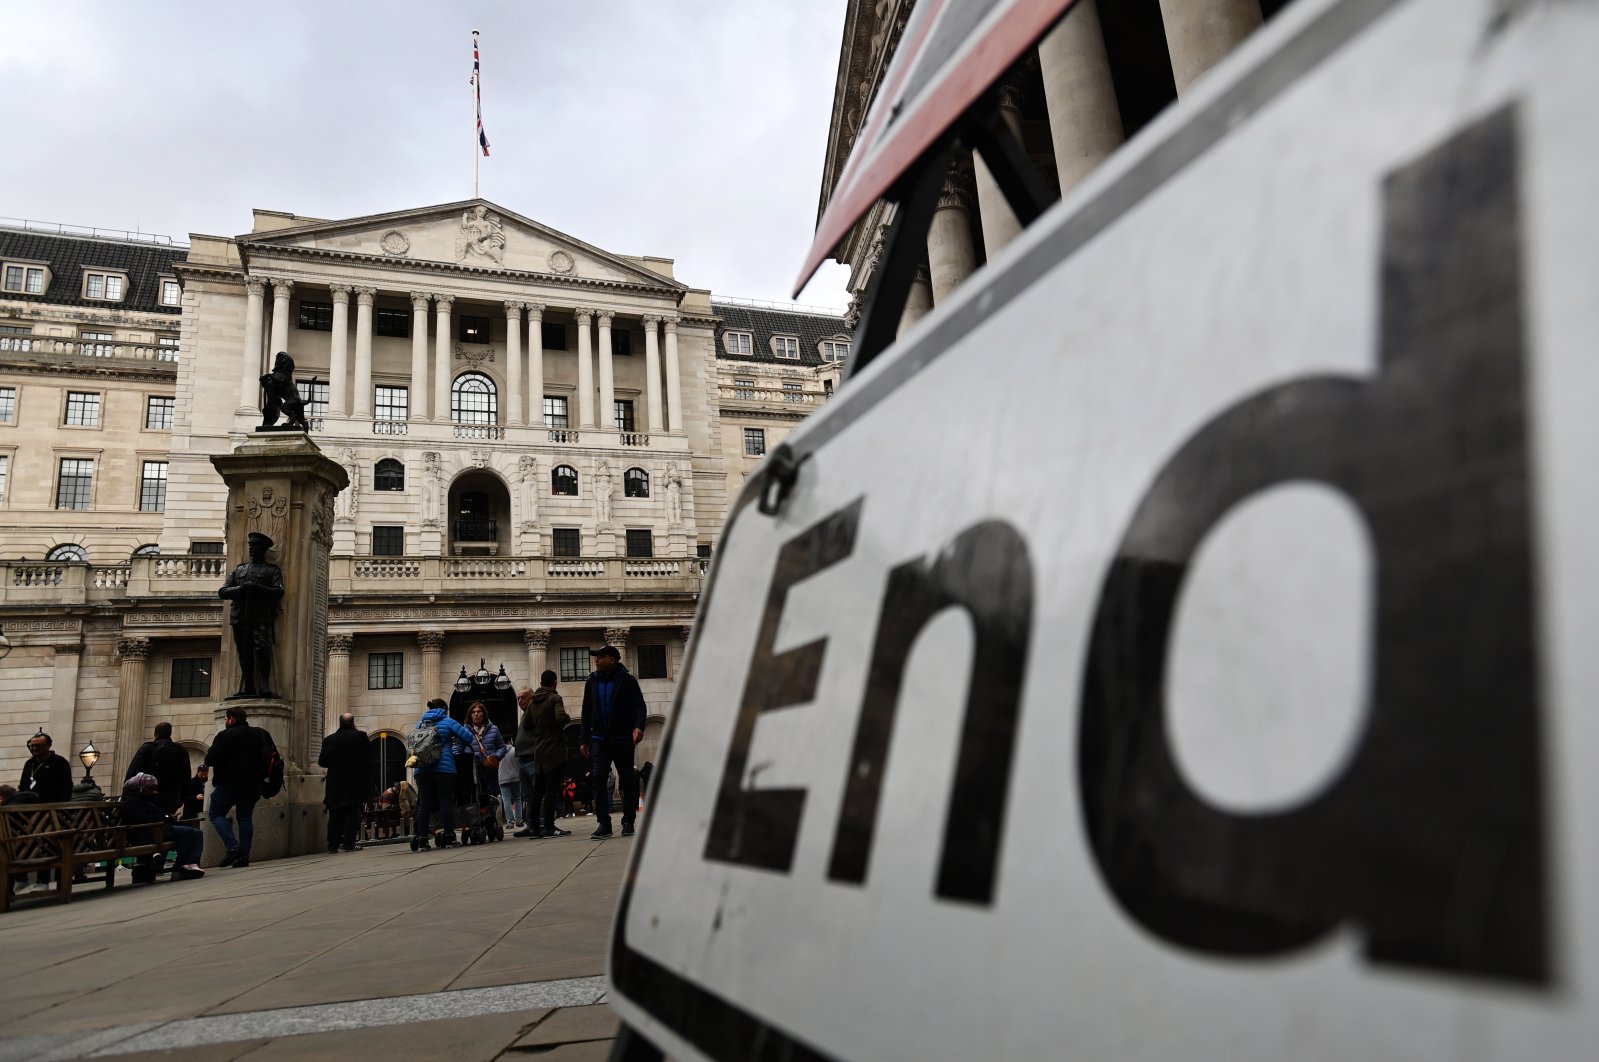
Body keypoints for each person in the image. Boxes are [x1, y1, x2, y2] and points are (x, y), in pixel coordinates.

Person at [579, 645, 646, 838]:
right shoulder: (591, 681)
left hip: (623, 738)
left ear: (612, 660)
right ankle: (603, 823)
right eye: (596, 658)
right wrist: (583, 739)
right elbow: (586, 710)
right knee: (598, 777)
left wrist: (639, 726)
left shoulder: (627, 679)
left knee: (627, 779)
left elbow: (639, 705)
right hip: (599, 739)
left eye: (600, 658)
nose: (596, 661)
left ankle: (628, 820)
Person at [204, 707, 275, 868]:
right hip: (251, 784)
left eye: (226, 718)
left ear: (231, 719)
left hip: (227, 783)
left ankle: (233, 846)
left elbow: (210, 759)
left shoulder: (224, 736)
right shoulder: (260, 734)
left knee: (216, 814)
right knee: (244, 818)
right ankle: (244, 856)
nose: (226, 721)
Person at [218, 532, 285, 698]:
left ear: (263, 549)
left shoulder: (271, 570)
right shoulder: (239, 569)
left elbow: (279, 591)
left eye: (256, 546)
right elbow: (223, 591)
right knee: (244, 652)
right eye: (251, 546)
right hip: (240, 617)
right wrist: (241, 589)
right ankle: (248, 685)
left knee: (262, 649)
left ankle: (264, 684)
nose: (252, 549)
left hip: (260, 616)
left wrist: (257, 588)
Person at [410, 698, 475, 851]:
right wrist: (454, 742)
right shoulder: (447, 721)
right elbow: (468, 738)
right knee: (446, 801)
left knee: (424, 804)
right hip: (444, 769)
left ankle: (423, 839)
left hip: (421, 770)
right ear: (445, 709)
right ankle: (449, 836)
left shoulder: (420, 723)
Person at [514, 673, 572, 838]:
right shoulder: (554, 698)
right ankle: (548, 826)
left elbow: (527, 724)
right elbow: (561, 718)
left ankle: (534, 829)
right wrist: (565, 719)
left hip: (538, 753)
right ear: (555, 682)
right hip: (554, 752)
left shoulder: (533, 704)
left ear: (540, 683)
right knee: (551, 791)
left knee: (536, 793)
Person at [119, 773, 205, 881]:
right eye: (150, 788)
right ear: (140, 789)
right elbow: (143, 818)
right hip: (147, 833)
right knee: (188, 833)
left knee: (197, 833)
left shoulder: (147, 799)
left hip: (160, 829)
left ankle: (191, 862)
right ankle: (180, 866)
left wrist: (167, 817)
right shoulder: (131, 803)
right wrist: (166, 817)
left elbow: (157, 814)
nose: (153, 791)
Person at [318, 712, 371, 853]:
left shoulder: (329, 740)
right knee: (351, 813)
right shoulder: (360, 736)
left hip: (335, 782)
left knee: (334, 814)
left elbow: (322, 762)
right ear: (353, 722)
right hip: (355, 781)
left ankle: (332, 845)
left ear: (340, 722)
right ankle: (349, 844)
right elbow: (369, 753)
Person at [124, 722, 190, 815]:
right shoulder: (181, 750)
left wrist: (126, 796)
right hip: (173, 796)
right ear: (170, 733)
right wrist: (182, 797)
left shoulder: (148, 748)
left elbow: (133, 771)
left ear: (155, 733)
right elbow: (187, 776)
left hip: (151, 796)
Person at [465, 701, 506, 818]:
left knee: (493, 795)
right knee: (476, 797)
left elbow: (502, 747)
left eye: (478, 711)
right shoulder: (464, 730)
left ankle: (494, 820)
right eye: (473, 712)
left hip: (490, 769)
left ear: (484, 714)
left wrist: (496, 757)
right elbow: (459, 749)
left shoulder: (493, 729)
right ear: (470, 715)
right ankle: (478, 821)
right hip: (474, 770)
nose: (476, 714)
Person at [497, 742, 522, 828]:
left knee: (506, 801)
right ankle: (519, 820)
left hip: (502, 779)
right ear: (510, 740)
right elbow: (520, 763)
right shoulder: (515, 750)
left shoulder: (498, 752)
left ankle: (510, 823)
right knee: (517, 799)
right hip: (515, 778)